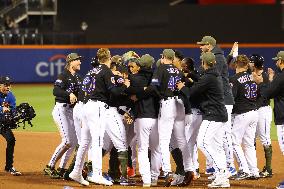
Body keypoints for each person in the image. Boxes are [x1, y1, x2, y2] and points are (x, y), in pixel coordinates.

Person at [69, 48, 130, 186]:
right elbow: (113, 92)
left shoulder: (91, 71)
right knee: (97, 141)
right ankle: (96, 174)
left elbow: (84, 90)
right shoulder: (106, 71)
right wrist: (125, 86)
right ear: (109, 57)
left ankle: (77, 171)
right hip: (97, 107)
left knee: (85, 142)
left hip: (86, 106)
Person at [177, 52, 230, 188]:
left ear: (204, 63)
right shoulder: (213, 75)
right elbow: (200, 78)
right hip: (219, 114)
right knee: (216, 146)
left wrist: (182, 87)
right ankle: (222, 176)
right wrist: (191, 75)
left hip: (213, 114)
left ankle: (223, 172)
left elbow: (192, 92)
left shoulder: (208, 77)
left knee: (203, 143)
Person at [197, 36, 235, 176]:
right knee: (217, 139)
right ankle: (221, 169)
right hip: (220, 102)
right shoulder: (217, 56)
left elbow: (211, 76)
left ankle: (229, 166)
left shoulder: (217, 58)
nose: (200, 46)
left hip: (222, 102)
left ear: (209, 44)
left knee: (224, 136)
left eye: (202, 44)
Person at [44, 53, 82, 178]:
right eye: (78, 60)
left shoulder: (77, 77)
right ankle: (50, 166)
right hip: (61, 110)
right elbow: (56, 91)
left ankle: (62, 168)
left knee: (74, 141)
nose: (80, 62)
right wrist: (68, 94)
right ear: (71, 62)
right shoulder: (64, 75)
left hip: (71, 112)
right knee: (67, 141)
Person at [230, 55, 259, 180]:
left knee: (234, 142)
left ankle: (243, 169)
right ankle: (254, 171)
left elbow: (232, 98)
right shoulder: (253, 77)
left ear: (236, 64)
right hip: (254, 112)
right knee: (249, 144)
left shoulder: (235, 79)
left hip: (242, 114)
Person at [248, 54, 273, 178]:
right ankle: (253, 168)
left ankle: (268, 168)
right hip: (253, 111)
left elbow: (264, 96)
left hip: (262, 111)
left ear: (256, 63)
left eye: (252, 62)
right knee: (250, 138)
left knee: (265, 138)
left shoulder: (265, 76)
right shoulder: (252, 74)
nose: (250, 63)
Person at [0, 76, 21, 176]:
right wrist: (1, 109)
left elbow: (12, 111)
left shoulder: (11, 96)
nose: (8, 87)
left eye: (9, 85)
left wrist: (17, 116)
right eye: (5, 85)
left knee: (11, 140)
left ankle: (9, 167)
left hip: (2, 123)